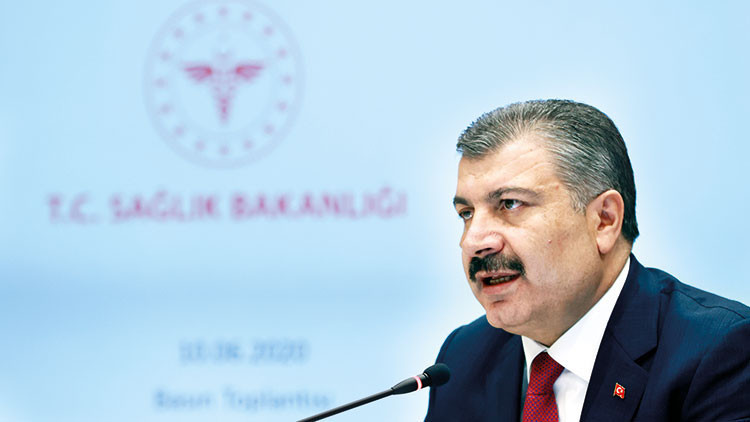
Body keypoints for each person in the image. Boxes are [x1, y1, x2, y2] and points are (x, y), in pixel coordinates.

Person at [424, 100, 750, 421]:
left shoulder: (719, 352)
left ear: (604, 220)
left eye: (510, 204)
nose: (473, 241)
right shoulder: (464, 357)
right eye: (466, 213)